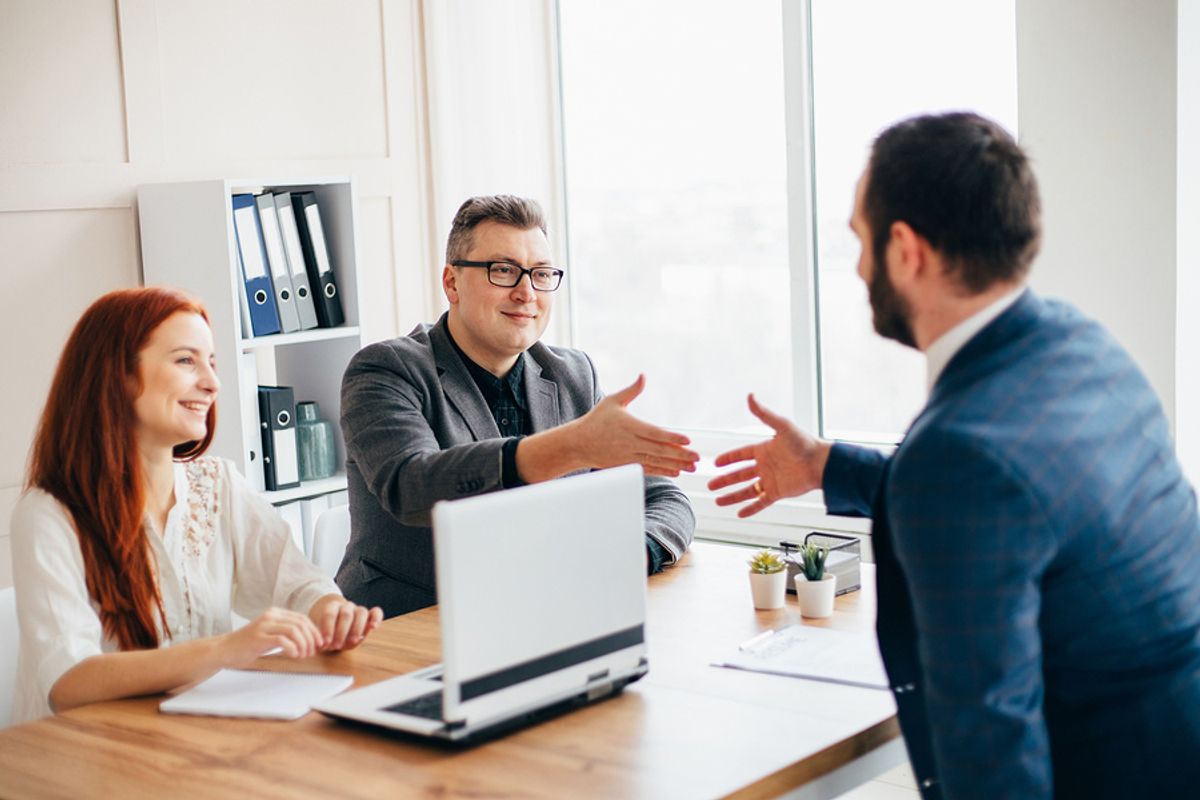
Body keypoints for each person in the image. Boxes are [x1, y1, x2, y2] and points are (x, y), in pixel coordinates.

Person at [709, 113, 1200, 798]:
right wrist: (826, 466)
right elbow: (1018, 505)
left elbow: (992, 753)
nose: (856, 267)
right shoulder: (1084, 345)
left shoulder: (961, 456)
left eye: (859, 238)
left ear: (906, 249)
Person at [10, 287, 382, 724]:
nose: (212, 382)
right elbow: (69, 681)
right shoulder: (50, 514)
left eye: (212, 362)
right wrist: (224, 650)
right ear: (119, 376)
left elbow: (297, 584)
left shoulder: (218, 485)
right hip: (88, 755)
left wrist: (329, 612)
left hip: (197, 739)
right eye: (186, 360)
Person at [338, 194, 698, 617]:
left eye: (541, 273)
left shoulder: (572, 374)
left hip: (537, 620)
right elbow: (412, 487)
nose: (527, 292)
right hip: (411, 625)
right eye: (504, 271)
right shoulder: (386, 370)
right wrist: (569, 447)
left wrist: (633, 551)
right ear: (452, 282)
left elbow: (664, 497)